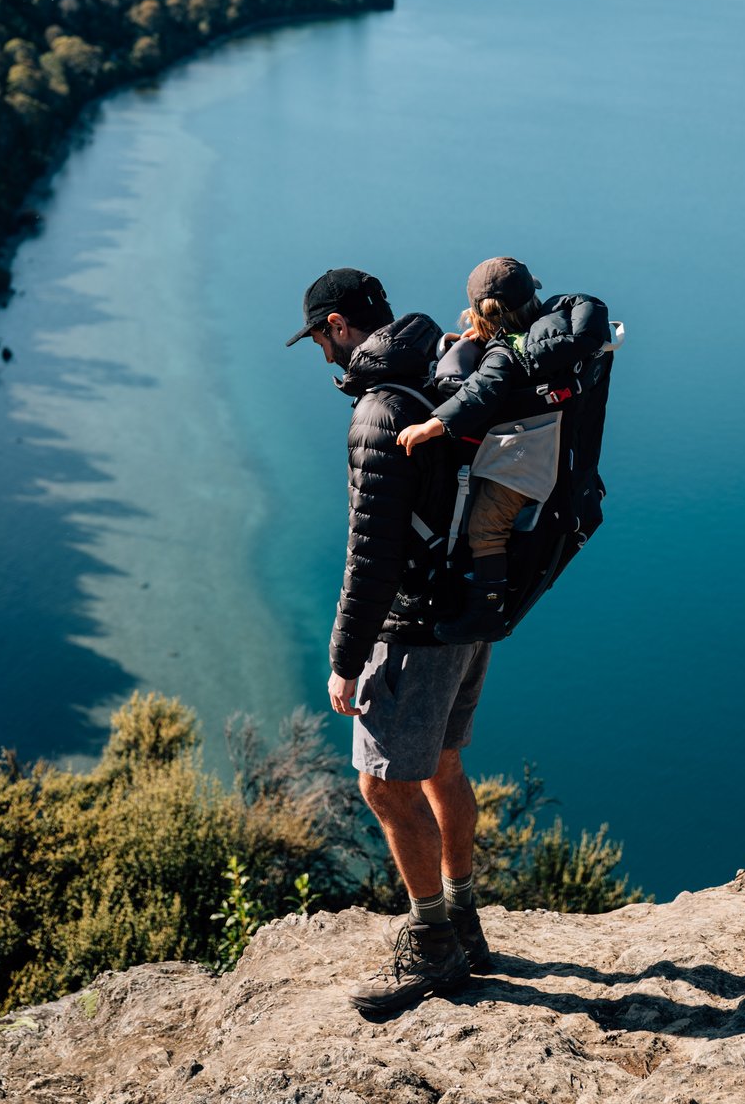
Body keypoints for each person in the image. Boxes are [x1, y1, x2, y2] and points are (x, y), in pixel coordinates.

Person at [286, 267, 493, 1020]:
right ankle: (465, 918)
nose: (322, 355)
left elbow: (370, 557)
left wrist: (344, 660)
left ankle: (434, 943)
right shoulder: (443, 374)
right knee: (441, 763)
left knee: (382, 783)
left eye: (318, 337)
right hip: (470, 615)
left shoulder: (378, 412)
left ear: (339, 324)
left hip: (413, 629)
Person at [398, 257, 611, 645]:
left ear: (483, 317)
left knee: (486, 528)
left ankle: (486, 611)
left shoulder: (503, 357)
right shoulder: (561, 327)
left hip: (522, 463)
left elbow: (481, 394)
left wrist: (433, 425)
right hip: (556, 449)